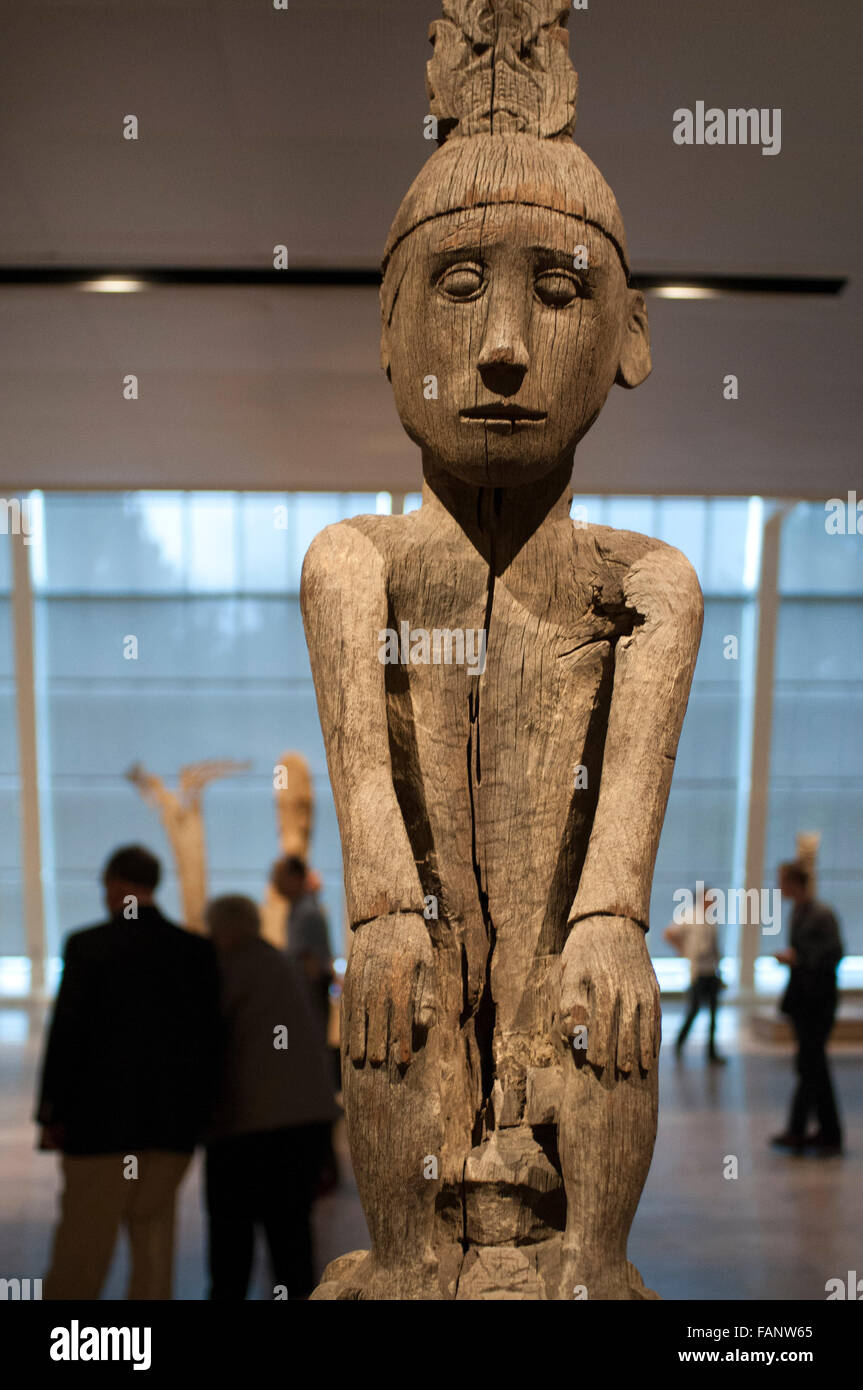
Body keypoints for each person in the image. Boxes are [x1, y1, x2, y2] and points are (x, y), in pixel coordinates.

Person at [36, 845, 220, 1299]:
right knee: (154, 1253)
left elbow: (67, 1036)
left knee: (81, 1254)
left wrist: (50, 1112)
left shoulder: (88, 947)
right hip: (170, 1129)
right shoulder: (195, 952)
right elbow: (211, 1042)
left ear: (116, 884)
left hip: (98, 1128)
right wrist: (201, 1117)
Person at [204, 895, 338, 1300]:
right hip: (300, 1124)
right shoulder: (283, 964)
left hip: (245, 1127)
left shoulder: (228, 969)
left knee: (231, 1241)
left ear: (222, 929)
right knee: (291, 1238)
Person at [772, 862, 844, 1156]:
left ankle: (801, 1130)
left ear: (795, 883)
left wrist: (799, 959)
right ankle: (826, 1133)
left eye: (783, 882)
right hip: (805, 1001)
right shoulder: (800, 912)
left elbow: (834, 954)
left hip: (818, 1002)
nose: (780, 887)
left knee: (811, 1065)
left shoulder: (820, 914)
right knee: (814, 1067)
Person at [664, 885, 726, 1064]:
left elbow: (714, 946)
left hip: (711, 971)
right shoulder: (690, 915)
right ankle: (679, 1043)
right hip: (698, 971)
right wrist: (683, 949)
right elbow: (669, 933)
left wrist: (719, 966)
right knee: (694, 1010)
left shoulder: (711, 919)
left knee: (714, 1014)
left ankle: (712, 1052)